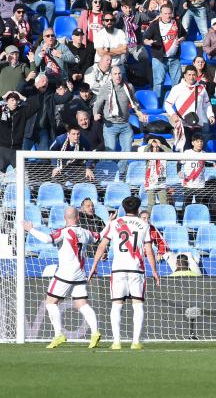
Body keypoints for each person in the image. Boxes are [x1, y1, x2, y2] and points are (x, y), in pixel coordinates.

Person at [23, 207, 102, 349]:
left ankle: (58, 334)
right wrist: (110, 223)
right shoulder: (85, 233)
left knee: (50, 302)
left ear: (65, 218)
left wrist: (30, 230)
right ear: (78, 218)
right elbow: (99, 237)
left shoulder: (63, 232)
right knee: (82, 304)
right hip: (80, 273)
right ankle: (95, 332)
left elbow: (47, 239)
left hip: (65, 274)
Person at [89, 196, 160, 350]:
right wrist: (154, 271)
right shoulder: (144, 225)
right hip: (136, 269)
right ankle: (135, 342)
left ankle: (116, 342)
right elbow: (148, 250)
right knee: (138, 304)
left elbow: (101, 246)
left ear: (123, 208)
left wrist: (94, 266)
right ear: (138, 209)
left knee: (116, 305)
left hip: (118, 269)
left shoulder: (115, 223)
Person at [93, 66, 145, 175]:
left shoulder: (129, 87)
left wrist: (140, 114)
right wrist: (95, 114)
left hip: (125, 124)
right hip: (110, 125)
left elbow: (135, 104)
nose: (118, 76)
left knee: (127, 152)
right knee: (110, 152)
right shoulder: (105, 88)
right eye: (115, 74)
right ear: (111, 75)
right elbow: (97, 104)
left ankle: (119, 174)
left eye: (119, 73)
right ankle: (107, 174)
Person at [164, 65, 216, 151]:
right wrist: (173, 114)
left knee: (197, 150)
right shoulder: (177, 88)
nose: (191, 77)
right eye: (189, 74)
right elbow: (167, 104)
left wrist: (211, 115)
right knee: (183, 150)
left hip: (197, 124)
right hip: (182, 124)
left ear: (196, 75)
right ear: (184, 75)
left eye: (193, 75)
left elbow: (206, 104)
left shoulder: (201, 88)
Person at [143, 4, 186, 98]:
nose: (168, 16)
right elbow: (145, 39)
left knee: (177, 84)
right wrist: (149, 42)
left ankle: (177, 103)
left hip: (174, 58)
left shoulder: (177, 22)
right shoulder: (154, 25)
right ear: (161, 14)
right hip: (159, 59)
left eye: (169, 13)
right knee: (158, 83)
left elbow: (184, 35)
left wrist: (181, 39)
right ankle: (157, 103)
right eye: (165, 13)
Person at [115, 0, 151, 80]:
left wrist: (144, 11)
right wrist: (114, 17)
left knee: (144, 57)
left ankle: (145, 80)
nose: (128, 10)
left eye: (130, 7)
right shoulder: (119, 16)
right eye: (126, 7)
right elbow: (112, 24)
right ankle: (123, 82)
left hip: (136, 45)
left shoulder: (137, 15)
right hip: (123, 45)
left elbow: (149, 18)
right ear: (122, 8)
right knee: (120, 60)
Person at [178, 133, 209, 206]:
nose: (200, 143)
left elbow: (205, 163)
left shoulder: (204, 153)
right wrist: (179, 171)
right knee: (186, 205)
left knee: (200, 206)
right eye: (197, 141)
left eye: (201, 141)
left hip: (200, 185)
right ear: (193, 143)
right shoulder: (187, 152)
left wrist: (213, 164)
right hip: (188, 184)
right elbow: (179, 163)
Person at [144, 137, 170, 210]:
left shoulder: (163, 156)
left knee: (164, 203)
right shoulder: (148, 156)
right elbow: (145, 151)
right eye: (154, 147)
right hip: (150, 182)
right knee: (151, 203)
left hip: (161, 182)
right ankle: (148, 218)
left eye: (157, 147)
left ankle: (163, 218)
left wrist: (161, 145)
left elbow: (170, 152)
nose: (156, 149)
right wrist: (149, 144)